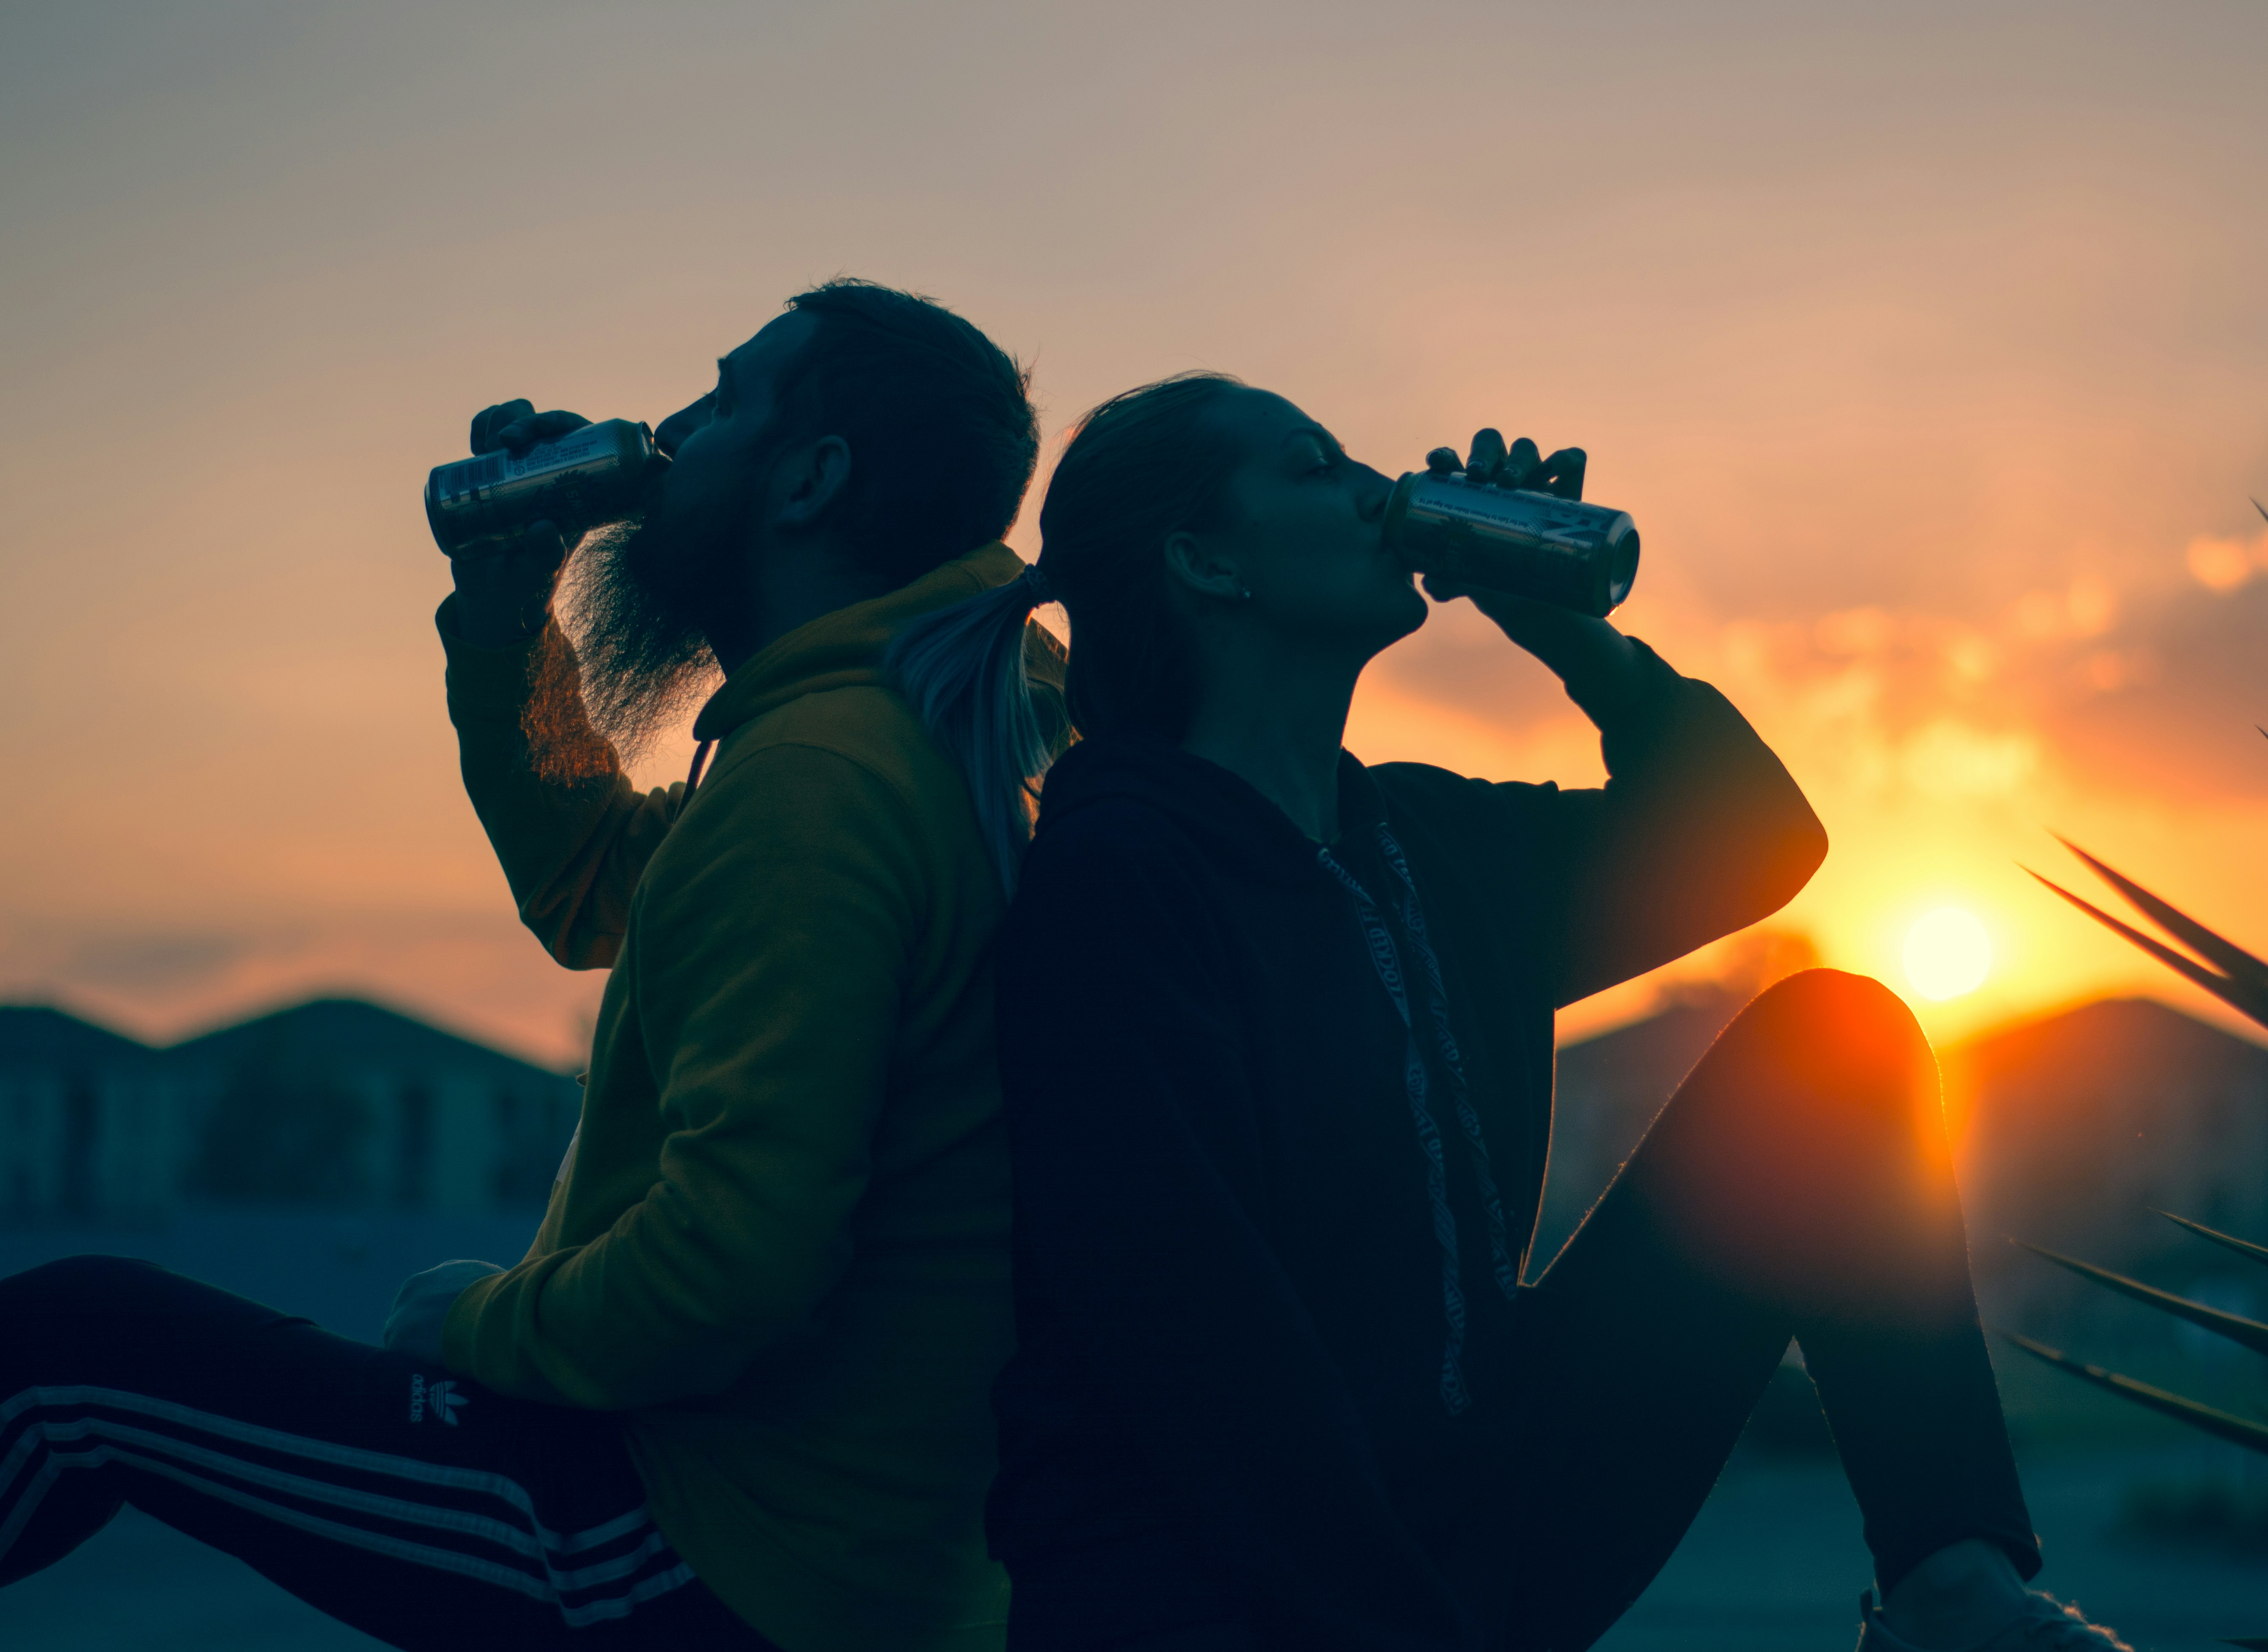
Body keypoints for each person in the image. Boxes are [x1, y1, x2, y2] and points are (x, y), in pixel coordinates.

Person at [887, 373, 2128, 1652]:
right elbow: (1202, 1362)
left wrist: (1570, 633)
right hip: (1220, 1589)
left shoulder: (1424, 843)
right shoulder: (1118, 882)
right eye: (1318, 468)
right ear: (1205, 560)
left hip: (1483, 1503)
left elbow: (1757, 838)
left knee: (1834, 1047)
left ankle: (1952, 1599)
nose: (1379, 491)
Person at [0, 280, 1064, 1651]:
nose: (673, 429)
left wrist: (478, 1326)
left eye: (726, 397)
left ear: (812, 479)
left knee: (76, 1360)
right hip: (864, 1556)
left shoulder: (821, 781)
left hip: (708, 1553)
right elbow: (598, 888)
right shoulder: (922, 734)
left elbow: (728, 1273)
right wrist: (510, 622)